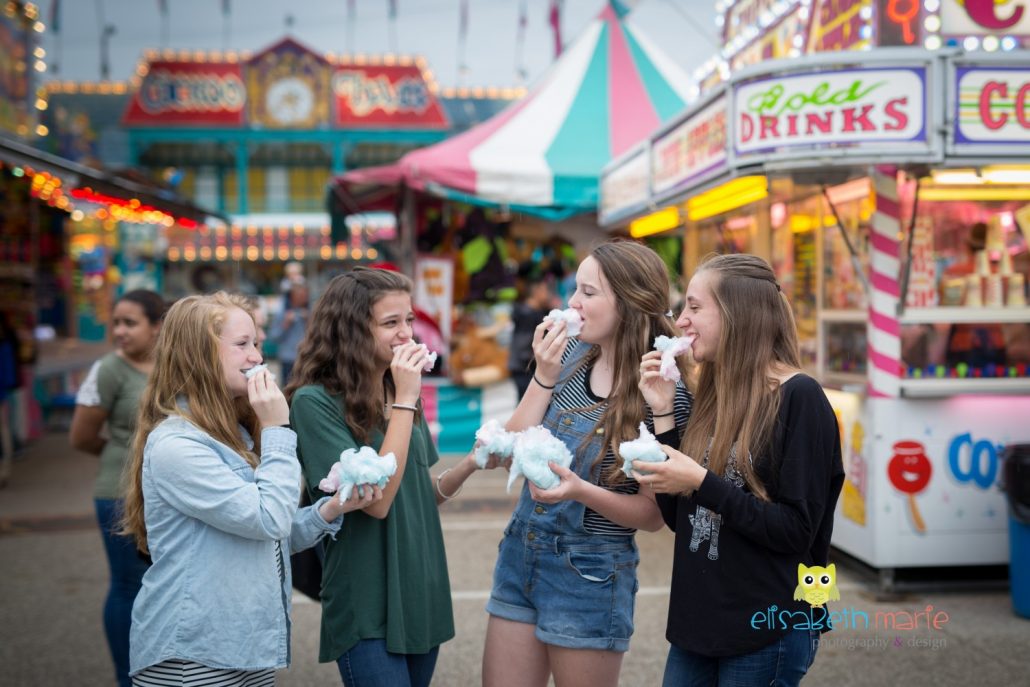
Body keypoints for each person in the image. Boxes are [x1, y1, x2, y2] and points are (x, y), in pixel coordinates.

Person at [120, 292, 380, 686]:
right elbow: (267, 518)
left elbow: (266, 537)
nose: (257, 357)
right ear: (198, 354)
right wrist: (277, 428)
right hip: (193, 653)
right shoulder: (178, 445)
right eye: (242, 345)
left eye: (256, 343)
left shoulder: (235, 433)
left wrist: (329, 510)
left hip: (244, 647)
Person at [482, 239, 693, 687]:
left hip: (591, 572)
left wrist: (578, 490)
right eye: (574, 289)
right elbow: (509, 451)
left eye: (589, 292)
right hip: (521, 552)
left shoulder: (664, 390)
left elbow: (653, 515)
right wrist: (543, 373)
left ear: (631, 302)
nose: (572, 303)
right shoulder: (572, 358)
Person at [630, 254, 845, 687]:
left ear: (737, 313)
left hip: (767, 629)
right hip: (698, 627)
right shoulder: (712, 395)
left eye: (694, 307)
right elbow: (680, 520)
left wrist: (702, 482)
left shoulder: (800, 398)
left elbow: (796, 531)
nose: (681, 322)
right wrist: (663, 415)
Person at [286, 267, 491, 687]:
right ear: (352, 330)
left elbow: (417, 494)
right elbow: (377, 502)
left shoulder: (396, 390)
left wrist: (469, 463)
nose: (407, 334)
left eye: (410, 320)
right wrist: (407, 399)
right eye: (391, 322)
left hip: (421, 584)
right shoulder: (315, 403)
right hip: (365, 594)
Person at [68, 289, 166, 687]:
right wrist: (127, 461)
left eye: (131, 322)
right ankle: (128, 676)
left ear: (157, 327)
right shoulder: (109, 369)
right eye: (117, 323)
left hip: (167, 494)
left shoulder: (170, 365)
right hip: (119, 493)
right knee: (128, 585)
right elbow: (82, 437)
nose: (120, 331)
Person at [507, 272, 557, 400]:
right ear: (537, 290)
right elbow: (524, 345)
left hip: (523, 366)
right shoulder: (528, 315)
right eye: (546, 290)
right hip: (524, 369)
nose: (548, 294)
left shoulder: (527, 311)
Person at [269, 282, 309, 384]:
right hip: (288, 360)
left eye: (305, 295)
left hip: (306, 357)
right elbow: (273, 337)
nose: (304, 298)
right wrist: (285, 324)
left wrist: (309, 320)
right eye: (300, 295)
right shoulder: (282, 313)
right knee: (288, 390)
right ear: (292, 296)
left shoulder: (310, 311)